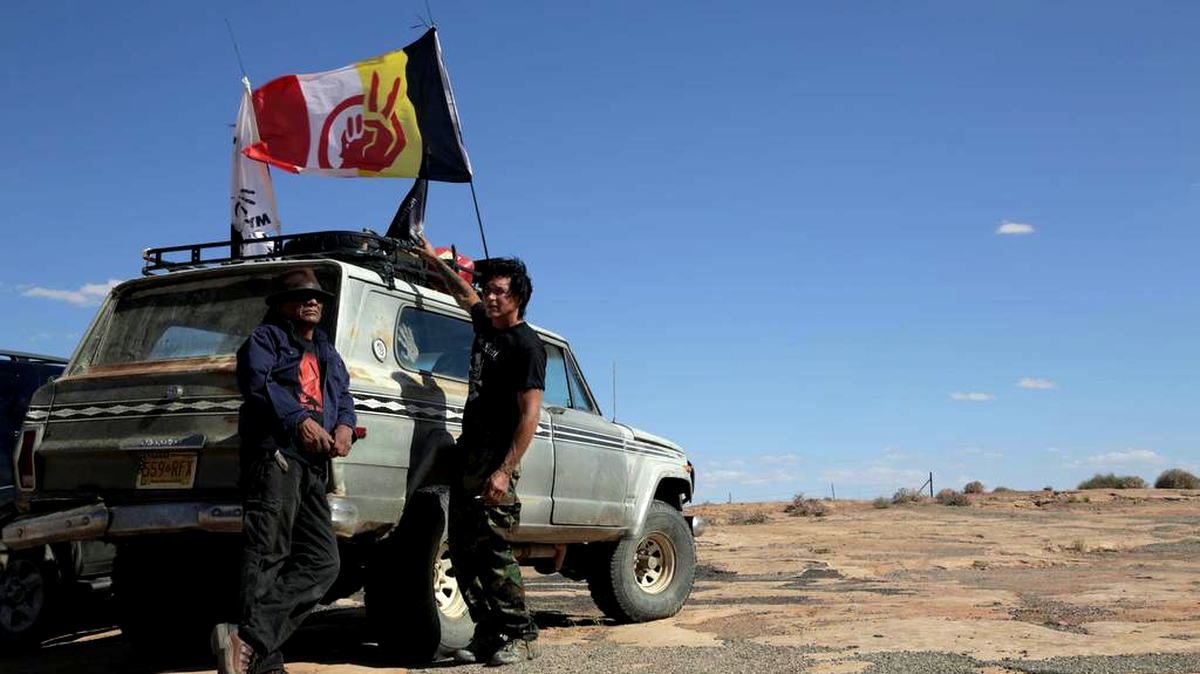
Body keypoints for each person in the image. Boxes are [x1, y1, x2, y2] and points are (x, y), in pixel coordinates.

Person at [213, 267, 356, 674]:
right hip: (276, 456)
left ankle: (249, 639)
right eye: (301, 296)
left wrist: (345, 426)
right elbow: (257, 385)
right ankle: (261, 660)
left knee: (324, 561)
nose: (312, 302)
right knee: (267, 554)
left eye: (317, 297)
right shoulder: (265, 339)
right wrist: (299, 420)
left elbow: (343, 396)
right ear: (280, 305)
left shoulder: (327, 351)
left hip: (312, 466)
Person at [414, 237, 545, 666]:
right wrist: (434, 261)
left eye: (499, 292)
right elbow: (463, 294)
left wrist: (505, 470)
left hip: (496, 461)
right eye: (488, 290)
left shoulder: (527, 347)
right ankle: (488, 632)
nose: (489, 297)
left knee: (494, 553)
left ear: (518, 298)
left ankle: (522, 634)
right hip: (469, 456)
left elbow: (529, 415)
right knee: (463, 552)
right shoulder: (486, 325)